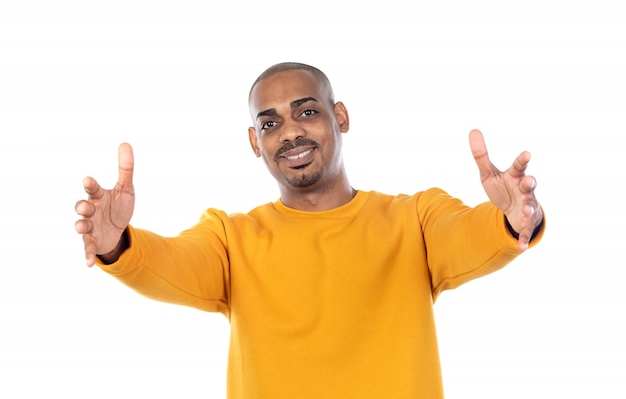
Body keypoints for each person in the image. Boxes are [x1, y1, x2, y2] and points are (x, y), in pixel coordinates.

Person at [75, 62, 545, 398]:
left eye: (306, 112)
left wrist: (513, 217)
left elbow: (470, 234)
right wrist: (118, 243)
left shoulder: (415, 219)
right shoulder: (230, 238)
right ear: (254, 143)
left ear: (339, 116)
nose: (289, 133)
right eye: (270, 123)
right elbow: (171, 262)